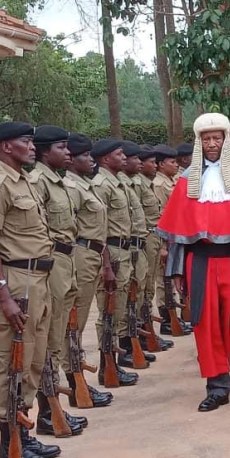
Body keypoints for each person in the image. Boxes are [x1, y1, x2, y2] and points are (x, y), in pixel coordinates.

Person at [157, 113, 230, 412]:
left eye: (217, 138)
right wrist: (176, 270)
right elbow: (179, 232)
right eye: (206, 139)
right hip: (201, 263)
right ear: (200, 143)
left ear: (226, 141)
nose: (211, 144)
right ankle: (217, 385)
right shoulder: (186, 182)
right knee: (206, 326)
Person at [0, 122, 60, 458]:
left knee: (34, 361)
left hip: (38, 279)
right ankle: (8, 440)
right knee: (13, 363)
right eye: (25, 141)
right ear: (6, 146)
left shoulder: (24, 180)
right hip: (16, 280)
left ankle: (24, 432)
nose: (31, 146)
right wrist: (4, 295)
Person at [27, 125, 88, 436]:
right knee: (50, 342)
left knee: (60, 335)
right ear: (44, 151)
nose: (68, 153)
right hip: (52, 264)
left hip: (67, 260)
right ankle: (48, 414)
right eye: (62, 148)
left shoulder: (59, 182)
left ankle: (52, 411)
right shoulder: (39, 181)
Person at [62, 134, 114, 407]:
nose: (91, 161)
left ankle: (79, 380)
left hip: (93, 254)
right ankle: (75, 383)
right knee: (73, 325)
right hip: (79, 255)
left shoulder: (84, 185)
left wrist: (104, 262)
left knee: (78, 323)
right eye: (86, 156)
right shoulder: (70, 187)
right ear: (72, 159)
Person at [90, 139, 139, 387]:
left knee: (118, 311)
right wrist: (106, 264)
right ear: (105, 159)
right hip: (111, 252)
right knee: (108, 312)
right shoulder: (101, 185)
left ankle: (114, 363)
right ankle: (106, 365)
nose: (124, 157)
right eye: (119, 154)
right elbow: (100, 229)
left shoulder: (117, 182)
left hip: (123, 250)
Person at [117, 140, 157, 366]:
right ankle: (123, 350)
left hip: (137, 244)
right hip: (124, 247)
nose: (138, 164)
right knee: (123, 303)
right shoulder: (117, 184)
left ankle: (133, 343)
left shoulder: (129, 184)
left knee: (139, 294)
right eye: (136, 159)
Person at [135, 146, 173, 351]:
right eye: (150, 161)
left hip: (156, 235)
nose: (152, 165)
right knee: (144, 288)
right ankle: (141, 336)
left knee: (148, 288)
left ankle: (147, 334)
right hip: (147, 238)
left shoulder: (147, 184)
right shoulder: (140, 185)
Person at [152, 145, 190, 336]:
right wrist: (163, 246)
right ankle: (167, 321)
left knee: (172, 279)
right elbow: (161, 218)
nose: (176, 165)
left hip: (177, 237)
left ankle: (176, 316)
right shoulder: (159, 185)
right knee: (163, 281)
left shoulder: (170, 181)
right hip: (168, 239)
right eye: (172, 162)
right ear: (160, 164)